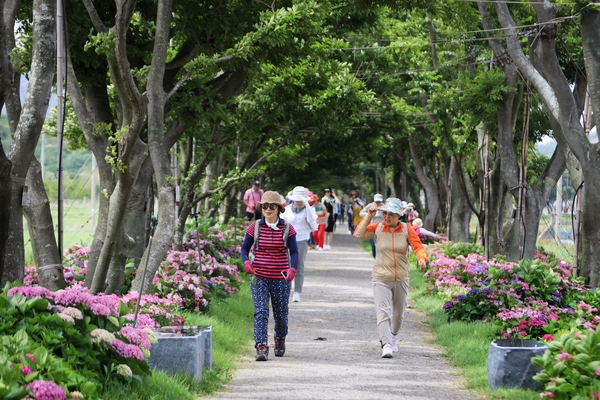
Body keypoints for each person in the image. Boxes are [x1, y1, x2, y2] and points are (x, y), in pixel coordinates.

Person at [354, 197, 428, 358]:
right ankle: (386, 343)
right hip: (381, 276)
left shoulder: (406, 229)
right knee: (383, 311)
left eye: (391, 214)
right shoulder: (378, 227)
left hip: (401, 277)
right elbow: (358, 234)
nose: (387, 217)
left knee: (399, 314)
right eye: (385, 213)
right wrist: (368, 217)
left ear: (399, 216)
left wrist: (422, 258)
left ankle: (393, 336)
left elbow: (417, 245)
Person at [241, 191, 299, 361]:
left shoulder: (288, 228)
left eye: (271, 206)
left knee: (281, 313)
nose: (267, 209)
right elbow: (244, 249)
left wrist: (292, 269)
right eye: (264, 206)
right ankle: (261, 345)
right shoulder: (255, 227)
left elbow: (294, 253)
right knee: (261, 311)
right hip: (259, 276)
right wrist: (246, 262)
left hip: (281, 277)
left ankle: (280, 338)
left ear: (278, 208)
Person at [283, 186, 318, 302]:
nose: (298, 203)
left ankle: (297, 292)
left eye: (300, 201)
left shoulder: (309, 210)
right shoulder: (286, 209)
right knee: (286, 265)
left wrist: (307, 207)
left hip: (302, 240)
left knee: (299, 266)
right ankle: (286, 290)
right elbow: (281, 224)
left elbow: (314, 226)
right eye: (296, 201)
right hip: (287, 240)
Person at [359, 193, 384, 258]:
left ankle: (380, 259)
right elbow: (361, 213)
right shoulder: (370, 205)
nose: (378, 203)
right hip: (372, 228)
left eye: (379, 202)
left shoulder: (384, 207)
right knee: (373, 245)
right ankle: (375, 257)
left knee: (381, 245)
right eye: (376, 202)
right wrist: (369, 213)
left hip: (382, 228)